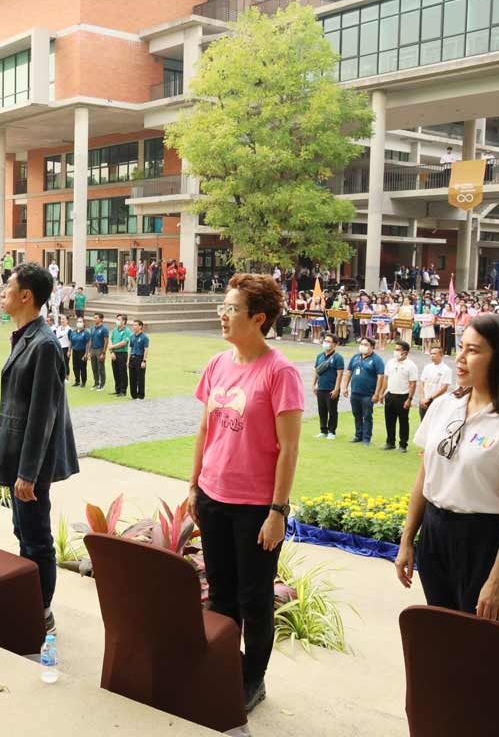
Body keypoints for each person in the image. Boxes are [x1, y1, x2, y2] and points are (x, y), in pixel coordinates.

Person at [190, 273, 303, 712]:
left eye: (232, 309)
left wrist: (278, 511)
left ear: (258, 318)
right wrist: (194, 485)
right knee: (220, 594)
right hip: (213, 497)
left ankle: (252, 680)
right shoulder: (217, 364)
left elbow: (289, 449)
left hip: (256, 507)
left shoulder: (280, 372)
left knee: (254, 600)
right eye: (224, 306)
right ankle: (222, 667)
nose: (223, 314)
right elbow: (205, 428)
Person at [395, 314, 499, 627]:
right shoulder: (444, 406)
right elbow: (425, 477)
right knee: (445, 634)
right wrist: (408, 539)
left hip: (485, 541)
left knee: (487, 643)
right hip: (436, 534)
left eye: (473, 350)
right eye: (461, 347)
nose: (460, 358)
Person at [0, 262, 79, 635]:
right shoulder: (25, 337)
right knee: (23, 530)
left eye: (8, 288)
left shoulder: (43, 345)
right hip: (19, 456)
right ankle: (29, 600)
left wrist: (27, 473)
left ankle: (41, 611)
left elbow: (43, 416)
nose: (2, 293)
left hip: (33, 463)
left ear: (26, 296)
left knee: (36, 537)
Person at [342, 336, 384, 446]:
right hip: (355, 392)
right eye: (361, 344)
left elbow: (380, 377)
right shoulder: (356, 357)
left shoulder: (376, 360)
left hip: (368, 394)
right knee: (357, 414)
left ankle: (366, 438)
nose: (363, 346)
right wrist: (345, 387)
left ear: (372, 347)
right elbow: (349, 372)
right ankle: (358, 435)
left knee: (367, 416)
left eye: (366, 345)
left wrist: (377, 394)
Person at [382, 340, 418, 453]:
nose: (395, 351)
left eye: (398, 350)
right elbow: (386, 378)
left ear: (405, 352)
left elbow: (413, 384)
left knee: (403, 421)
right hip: (390, 394)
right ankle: (390, 442)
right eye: (395, 349)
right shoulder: (390, 362)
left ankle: (403, 444)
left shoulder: (411, 365)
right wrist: (382, 393)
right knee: (389, 420)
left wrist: (409, 399)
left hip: (402, 396)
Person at [312, 333, 344, 439]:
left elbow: (339, 374)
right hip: (321, 387)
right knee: (322, 410)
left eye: (329, 341)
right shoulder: (320, 356)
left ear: (334, 344)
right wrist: (314, 384)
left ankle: (331, 431)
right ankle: (323, 430)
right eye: (325, 341)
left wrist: (336, 389)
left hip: (331, 388)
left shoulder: (338, 358)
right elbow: (316, 371)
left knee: (332, 410)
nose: (326, 343)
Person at [417, 345, 453, 422]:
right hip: (424, 401)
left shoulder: (446, 370)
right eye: (431, 353)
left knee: (434, 423)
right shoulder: (427, 367)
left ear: (441, 355)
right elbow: (422, 382)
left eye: (434, 354)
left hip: (436, 401)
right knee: (423, 423)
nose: (432, 356)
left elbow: (444, 388)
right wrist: (422, 398)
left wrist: (430, 399)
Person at [108, 314, 130, 396]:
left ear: (124, 321)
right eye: (116, 319)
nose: (117, 321)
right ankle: (117, 389)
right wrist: (112, 352)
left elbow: (124, 343)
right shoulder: (115, 330)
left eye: (119, 319)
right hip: (114, 353)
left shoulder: (127, 331)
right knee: (115, 372)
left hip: (122, 354)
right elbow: (111, 340)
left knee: (122, 372)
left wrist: (113, 347)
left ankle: (123, 390)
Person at [128, 319, 150, 400]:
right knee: (132, 377)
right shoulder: (132, 336)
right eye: (133, 325)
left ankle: (140, 395)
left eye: (135, 325)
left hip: (139, 358)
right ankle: (133, 395)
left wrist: (144, 361)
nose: (134, 327)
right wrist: (128, 360)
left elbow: (146, 350)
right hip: (132, 358)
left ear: (140, 326)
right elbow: (130, 348)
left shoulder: (144, 337)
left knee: (140, 378)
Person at [89, 313, 109, 391]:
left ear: (101, 319)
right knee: (94, 367)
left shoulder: (104, 329)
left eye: (96, 318)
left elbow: (106, 341)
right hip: (93, 350)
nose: (94, 319)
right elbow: (91, 340)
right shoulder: (92, 328)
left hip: (100, 349)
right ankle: (96, 383)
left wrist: (103, 352)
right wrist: (89, 351)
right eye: (94, 318)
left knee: (101, 368)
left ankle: (102, 385)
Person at [69, 317, 90, 388]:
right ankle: (77, 381)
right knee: (75, 366)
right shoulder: (73, 332)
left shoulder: (86, 332)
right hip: (75, 351)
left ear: (83, 323)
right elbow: (71, 342)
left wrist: (86, 353)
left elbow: (87, 343)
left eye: (80, 321)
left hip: (82, 351)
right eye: (78, 321)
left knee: (82, 367)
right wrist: (69, 351)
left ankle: (83, 382)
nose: (79, 323)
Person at [54, 314, 72, 379]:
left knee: (65, 363)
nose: (62, 320)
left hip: (66, 348)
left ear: (67, 320)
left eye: (63, 319)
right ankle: (59, 377)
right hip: (58, 348)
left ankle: (66, 377)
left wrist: (69, 351)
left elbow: (71, 341)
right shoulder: (58, 328)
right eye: (61, 319)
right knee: (58, 362)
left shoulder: (69, 329)